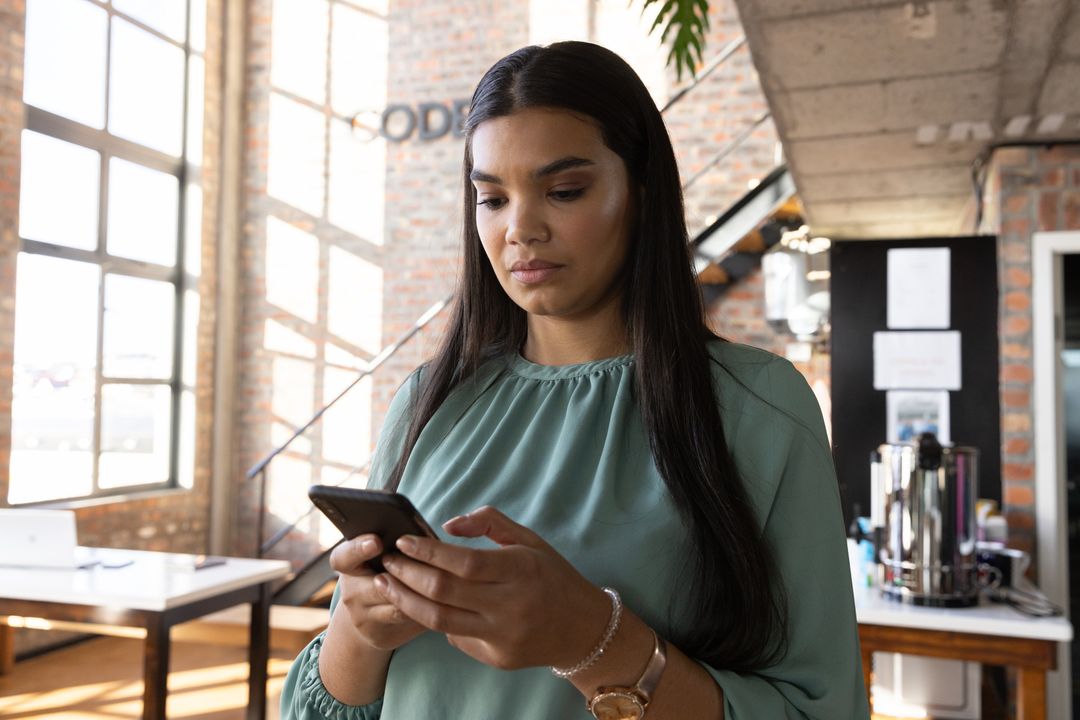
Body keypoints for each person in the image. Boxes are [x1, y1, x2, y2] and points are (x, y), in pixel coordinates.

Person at [281, 40, 869, 719]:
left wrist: (593, 638)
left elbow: (818, 711)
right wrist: (358, 629)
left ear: (641, 193)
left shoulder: (757, 408)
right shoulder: (428, 400)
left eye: (563, 191)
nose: (520, 229)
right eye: (492, 198)